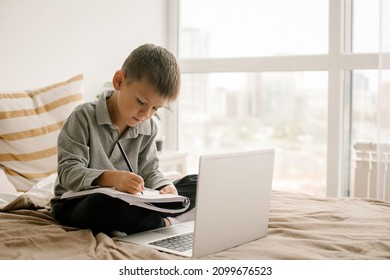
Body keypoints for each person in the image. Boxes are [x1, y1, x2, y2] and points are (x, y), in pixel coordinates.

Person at [51, 43, 196, 235]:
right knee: (104, 206)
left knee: (198, 182)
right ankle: (165, 223)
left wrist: (164, 186)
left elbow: (149, 170)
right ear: (119, 81)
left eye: (155, 109)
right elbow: (68, 173)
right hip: (78, 203)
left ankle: (154, 218)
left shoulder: (148, 126)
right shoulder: (83, 117)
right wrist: (112, 178)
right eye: (141, 102)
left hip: (130, 201)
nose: (145, 113)